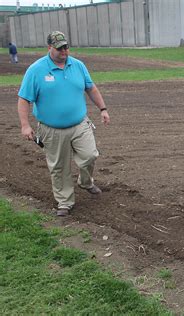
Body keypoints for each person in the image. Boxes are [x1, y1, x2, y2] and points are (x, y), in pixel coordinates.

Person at [17, 31, 110, 216]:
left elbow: (90, 88)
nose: (64, 51)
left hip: (80, 124)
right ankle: (65, 202)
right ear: (49, 48)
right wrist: (25, 125)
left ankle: (85, 182)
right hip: (51, 129)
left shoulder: (78, 65)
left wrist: (103, 109)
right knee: (59, 167)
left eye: (66, 47)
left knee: (90, 155)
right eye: (59, 48)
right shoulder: (36, 70)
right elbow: (23, 99)